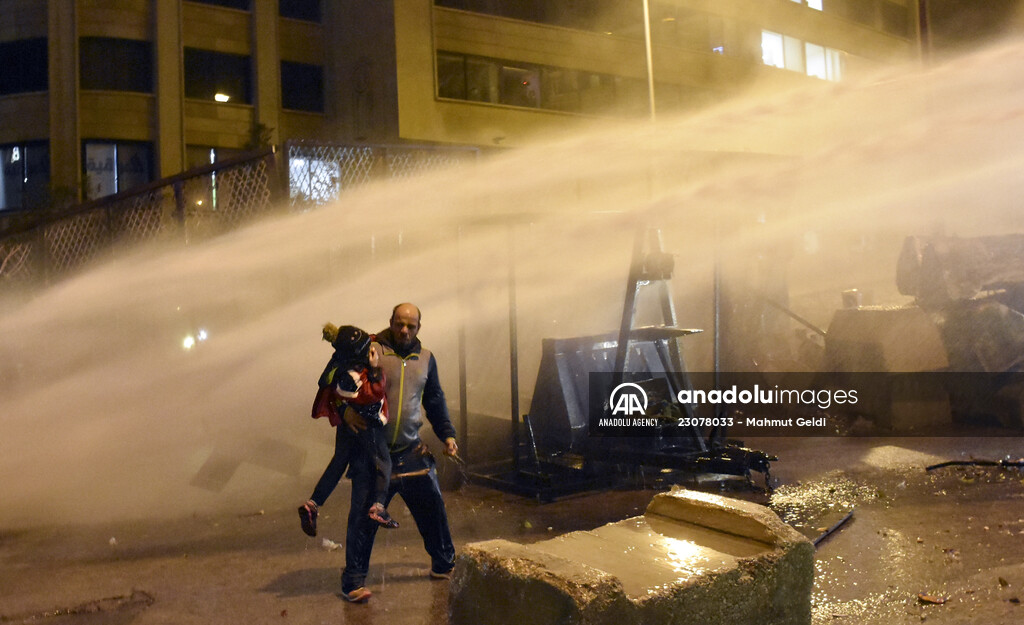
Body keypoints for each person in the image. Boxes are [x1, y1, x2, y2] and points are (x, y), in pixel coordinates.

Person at [339, 303, 458, 604]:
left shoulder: (426, 359)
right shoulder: (370, 351)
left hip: (409, 449)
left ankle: (444, 564)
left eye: (411, 326)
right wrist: (344, 411)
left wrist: (447, 434)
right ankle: (353, 581)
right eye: (399, 324)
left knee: (433, 510)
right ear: (390, 322)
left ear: (419, 327)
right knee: (363, 520)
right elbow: (334, 384)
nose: (404, 330)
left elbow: (434, 399)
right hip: (372, 453)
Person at [298, 324, 399, 540]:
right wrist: (374, 369)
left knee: (338, 461)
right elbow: (373, 394)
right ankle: (378, 507)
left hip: (348, 424)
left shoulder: (339, 363)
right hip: (366, 424)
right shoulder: (349, 376)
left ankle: (313, 504)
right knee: (384, 463)